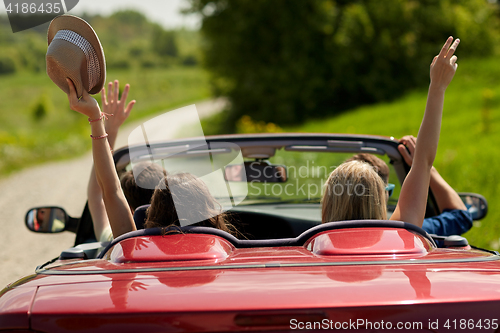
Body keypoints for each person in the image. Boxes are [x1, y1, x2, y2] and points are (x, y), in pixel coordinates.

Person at [67, 79, 237, 239]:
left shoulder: (132, 246)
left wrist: (98, 121)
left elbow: (109, 190)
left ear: (150, 211)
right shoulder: (229, 253)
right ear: (210, 212)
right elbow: (109, 191)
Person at [322, 37, 460, 229]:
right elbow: (424, 161)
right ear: (380, 198)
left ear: (328, 203)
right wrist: (437, 86)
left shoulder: (311, 248)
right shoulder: (399, 235)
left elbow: (424, 161)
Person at [347, 148, 472, 235]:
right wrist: (427, 168)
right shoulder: (402, 232)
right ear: (381, 195)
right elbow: (460, 217)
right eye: (389, 190)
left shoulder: (327, 237)